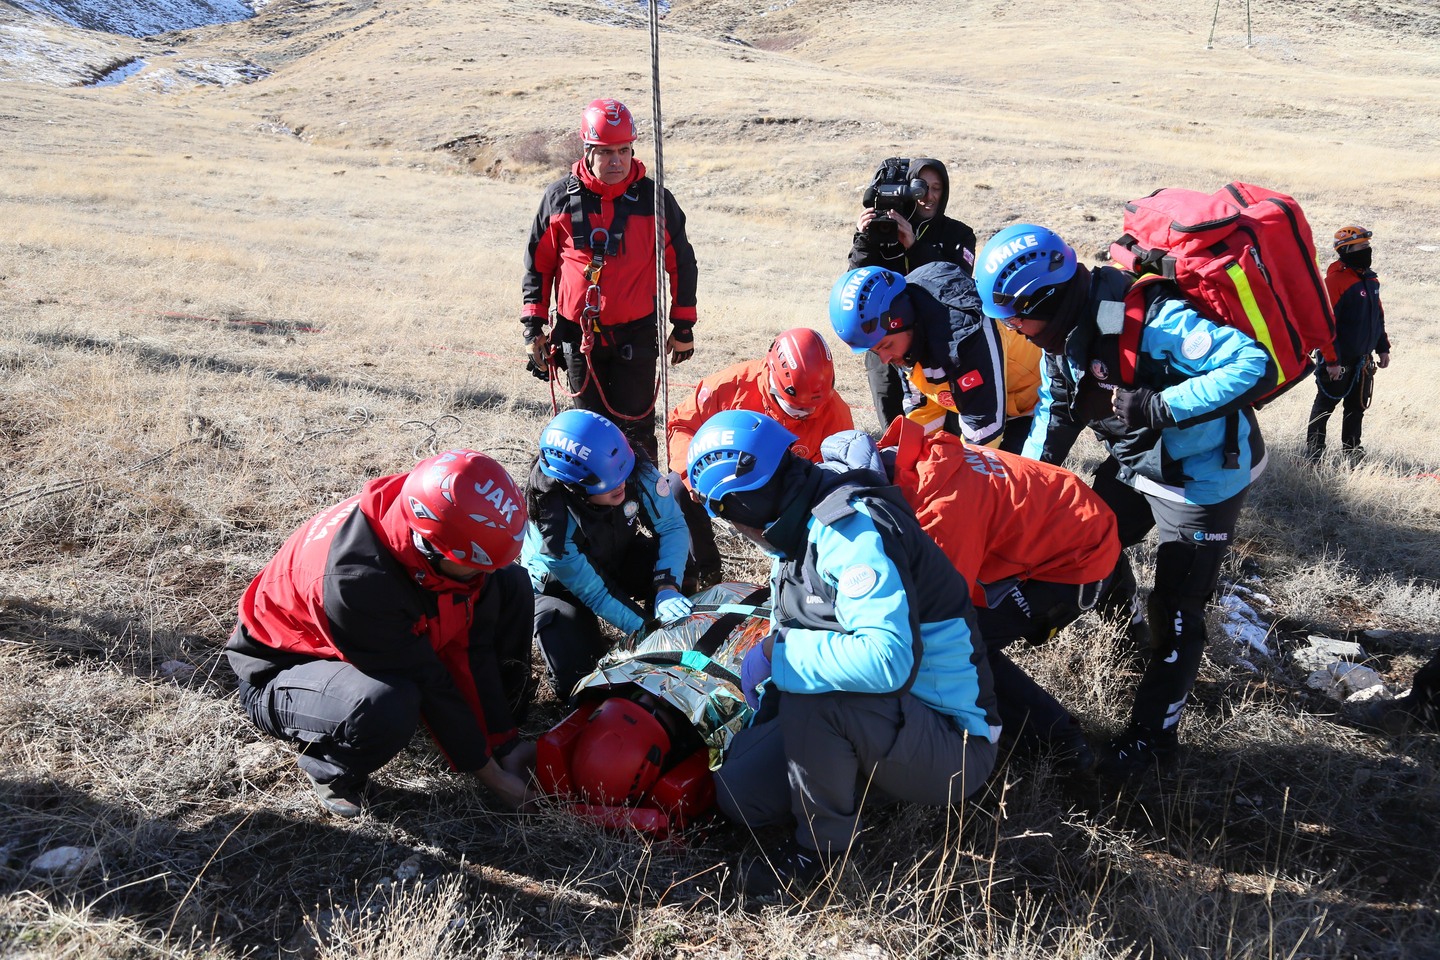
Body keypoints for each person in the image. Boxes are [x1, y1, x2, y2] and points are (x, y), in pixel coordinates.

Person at [973, 223, 1277, 778]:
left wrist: (1156, 406)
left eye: (1015, 317)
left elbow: (1252, 364)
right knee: (1087, 539)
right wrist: (1019, 487)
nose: (1012, 330)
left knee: (1177, 610)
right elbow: (1056, 409)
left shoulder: (1155, 323)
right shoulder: (1060, 335)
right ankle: (1125, 639)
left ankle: (1152, 743)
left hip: (1203, 475)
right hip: (1140, 463)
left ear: (1047, 298)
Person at [687, 410, 1000, 899]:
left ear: (742, 505)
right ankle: (853, 777)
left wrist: (778, 655)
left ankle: (820, 856)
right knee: (739, 793)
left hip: (954, 741)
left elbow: (887, 658)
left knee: (818, 694)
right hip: (891, 717)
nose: (732, 529)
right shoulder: (795, 526)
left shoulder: (850, 529)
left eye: (723, 514)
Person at [225, 450, 537, 819]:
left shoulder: (429, 510)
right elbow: (428, 679)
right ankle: (331, 767)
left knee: (508, 584)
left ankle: (502, 723)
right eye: (473, 566)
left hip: (372, 639)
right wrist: (494, 779)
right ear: (431, 546)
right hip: (283, 668)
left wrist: (503, 741)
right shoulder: (357, 584)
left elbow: (470, 645)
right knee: (387, 702)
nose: (480, 575)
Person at [820, 417, 1126, 772]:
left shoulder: (942, 513)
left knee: (961, 643)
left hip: (1077, 557)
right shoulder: (919, 459)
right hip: (1067, 516)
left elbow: (944, 611)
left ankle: (1062, 745)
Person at [521, 97, 699, 462]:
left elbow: (682, 262)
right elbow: (538, 265)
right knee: (583, 436)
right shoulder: (557, 200)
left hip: (635, 334)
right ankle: (590, 513)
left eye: (624, 150)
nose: (617, 160)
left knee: (637, 434)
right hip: (576, 337)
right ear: (587, 151)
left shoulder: (655, 201)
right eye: (606, 152)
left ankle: (640, 510)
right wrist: (534, 325)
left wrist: (683, 326)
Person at [665, 327, 855, 590]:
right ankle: (704, 573)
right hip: (729, 481)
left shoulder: (835, 411)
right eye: (797, 408)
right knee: (676, 487)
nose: (807, 414)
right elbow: (683, 424)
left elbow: (840, 473)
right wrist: (693, 478)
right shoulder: (732, 385)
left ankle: (801, 578)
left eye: (814, 407)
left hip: (789, 493)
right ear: (774, 381)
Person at [522, 409, 691, 700]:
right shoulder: (552, 525)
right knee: (583, 683)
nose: (623, 484)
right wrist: (649, 632)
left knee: (681, 569)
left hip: (616, 555)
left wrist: (667, 585)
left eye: (624, 474)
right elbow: (596, 594)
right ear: (575, 486)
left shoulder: (626, 465)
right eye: (611, 483)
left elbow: (672, 525)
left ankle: (682, 630)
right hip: (560, 589)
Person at [829, 263, 1039, 451]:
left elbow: (983, 426)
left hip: (1033, 402)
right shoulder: (906, 338)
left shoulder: (964, 332)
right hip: (987, 404)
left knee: (1012, 484)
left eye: (886, 346)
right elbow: (922, 408)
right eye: (875, 351)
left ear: (903, 319)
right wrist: (910, 459)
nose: (884, 359)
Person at [846, 157, 978, 429]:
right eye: (921, 188)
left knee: (946, 427)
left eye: (937, 188)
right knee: (892, 420)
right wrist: (863, 238)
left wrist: (915, 247)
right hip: (884, 340)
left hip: (937, 343)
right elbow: (856, 282)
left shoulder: (960, 234)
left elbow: (959, 284)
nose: (928, 196)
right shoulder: (884, 229)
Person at [1305, 225, 1391, 465]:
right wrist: (1332, 361)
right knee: (1324, 407)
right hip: (1338, 361)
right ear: (1346, 250)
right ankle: (1313, 456)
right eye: (1362, 247)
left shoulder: (1370, 280)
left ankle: (1352, 454)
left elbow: (1378, 316)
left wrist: (1383, 347)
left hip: (1363, 361)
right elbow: (1324, 326)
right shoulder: (1335, 281)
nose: (1368, 250)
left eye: (1367, 246)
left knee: (1356, 410)